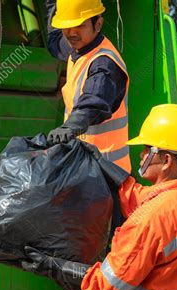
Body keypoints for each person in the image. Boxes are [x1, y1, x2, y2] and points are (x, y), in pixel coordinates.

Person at [23, 104, 177, 290]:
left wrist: (55, 266)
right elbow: (142, 198)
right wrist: (102, 163)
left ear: (166, 161)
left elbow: (106, 284)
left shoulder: (149, 219)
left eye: (147, 149)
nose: (142, 155)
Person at [45, 0, 131, 173]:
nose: (71, 33)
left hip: (107, 172)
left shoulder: (104, 64)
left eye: (80, 26)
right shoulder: (76, 47)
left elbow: (94, 102)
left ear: (98, 24)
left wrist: (69, 127)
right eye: (67, 26)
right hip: (86, 167)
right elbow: (55, 41)